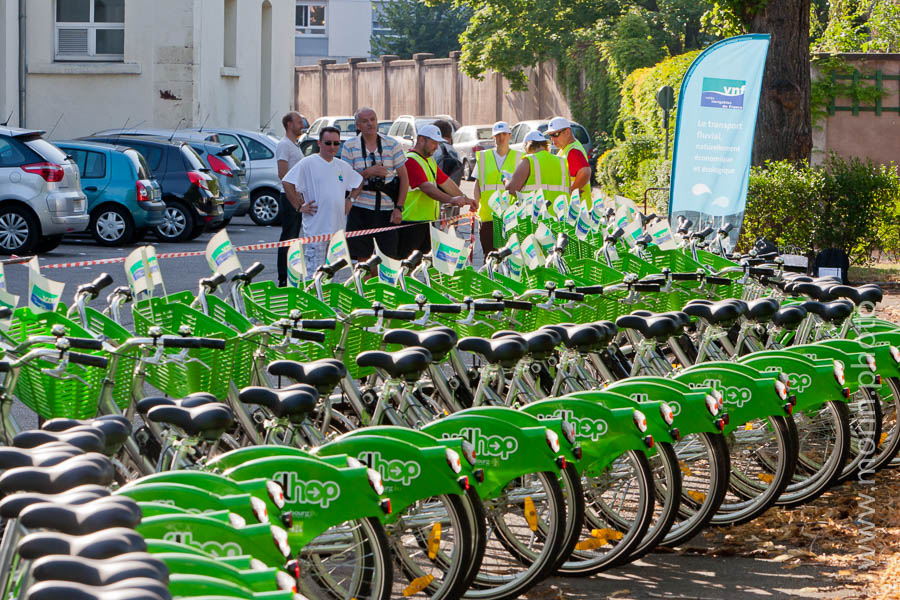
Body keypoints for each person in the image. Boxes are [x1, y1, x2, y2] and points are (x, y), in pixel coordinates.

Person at [282, 126, 363, 275]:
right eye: (328, 143)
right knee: (315, 275)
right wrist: (299, 207)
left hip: (337, 233)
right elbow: (287, 182)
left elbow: (359, 182)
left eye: (336, 143)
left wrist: (350, 200)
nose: (332, 147)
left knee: (334, 275)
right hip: (316, 231)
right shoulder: (308, 163)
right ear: (319, 143)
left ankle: (329, 299)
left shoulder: (342, 166)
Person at [341, 107, 409, 260]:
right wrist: (367, 172)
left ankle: (382, 284)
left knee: (387, 259)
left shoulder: (391, 144)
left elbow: (404, 178)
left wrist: (399, 208)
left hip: (387, 209)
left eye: (373, 119)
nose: (370, 124)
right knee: (362, 259)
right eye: (365, 121)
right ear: (358, 126)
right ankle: (365, 284)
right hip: (360, 209)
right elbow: (346, 180)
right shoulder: (349, 146)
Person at [399, 124, 477, 258]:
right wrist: (451, 199)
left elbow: (445, 182)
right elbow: (427, 188)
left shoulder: (429, 160)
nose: (436, 147)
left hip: (427, 222)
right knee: (408, 264)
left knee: (427, 264)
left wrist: (465, 198)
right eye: (433, 143)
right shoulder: (411, 160)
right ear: (422, 140)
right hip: (411, 223)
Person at [473, 121, 522, 255]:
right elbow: (477, 184)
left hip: (510, 215)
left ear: (510, 136)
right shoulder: (483, 157)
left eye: (504, 134)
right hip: (488, 215)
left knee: (510, 256)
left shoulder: (519, 157)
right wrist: (476, 202)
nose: (501, 138)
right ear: (493, 137)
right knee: (489, 255)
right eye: (498, 135)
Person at [506, 130, 570, 218]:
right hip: (561, 220)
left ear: (527, 145)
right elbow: (569, 190)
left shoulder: (529, 160)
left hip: (536, 221)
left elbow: (511, 189)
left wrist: (506, 181)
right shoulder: (562, 162)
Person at [275, 111, 306, 286]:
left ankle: (291, 275)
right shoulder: (284, 145)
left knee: (294, 237)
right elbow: (283, 173)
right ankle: (283, 279)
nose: (302, 125)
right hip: (288, 197)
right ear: (289, 124)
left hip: (297, 196)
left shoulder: (295, 145)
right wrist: (294, 196)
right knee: (288, 237)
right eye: (299, 122)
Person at [545, 116, 592, 207]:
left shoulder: (573, 151)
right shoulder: (566, 149)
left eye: (555, 134)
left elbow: (585, 171)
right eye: (550, 135)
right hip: (577, 208)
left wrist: (572, 192)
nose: (552, 139)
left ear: (567, 132)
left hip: (577, 209)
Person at [432, 120, 463, 186]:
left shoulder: (434, 150)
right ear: (450, 134)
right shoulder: (456, 153)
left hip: (434, 192)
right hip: (452, 192)